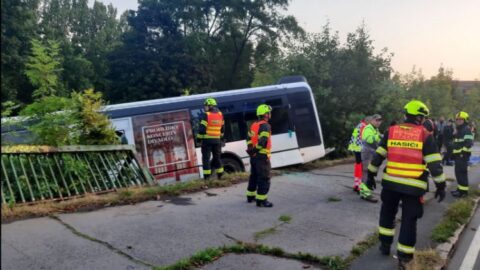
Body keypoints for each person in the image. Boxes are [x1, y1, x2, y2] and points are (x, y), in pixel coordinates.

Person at [366, 100, 445, 270]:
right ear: (420, 117)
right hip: (414, 187)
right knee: (409, 220)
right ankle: (404, 258)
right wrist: (441, 185)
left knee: (387, 214)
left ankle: (384, 246)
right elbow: (434, 165)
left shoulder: (391, 131)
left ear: (406, 115)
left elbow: (378, 156)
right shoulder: (425, 135)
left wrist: (371, 175)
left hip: (391, 184)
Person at [246, 104, 273, 207]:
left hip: (254, 157)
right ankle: (261, 200)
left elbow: (248, 139)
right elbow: (263, 142)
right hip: (262, 157)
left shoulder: (253, 125)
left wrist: (251, 150)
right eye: (269, 113)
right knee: (264, 178)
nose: (270, 114)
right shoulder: (265, 125)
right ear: (265, 114)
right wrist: (255, 150)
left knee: (254, 176)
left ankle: (250, 196)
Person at [197, 97, 225, 180]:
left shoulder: (207, 115)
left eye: (206, 106)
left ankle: (207, 177)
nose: (205, 108)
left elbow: (202, 129)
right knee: (217, 158)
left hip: (207, 141)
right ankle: (220, 175)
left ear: (210, 106)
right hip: (217, 141)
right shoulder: (220, 115)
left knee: (206, 159)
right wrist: (220, 137)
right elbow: (223, 129)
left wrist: (198, 139)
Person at [359, 114, 382, 203]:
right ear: (372, 120)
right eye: (377, 120)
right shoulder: (368, 128)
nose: (378, 122)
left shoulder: (375, 129)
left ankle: (364, 192)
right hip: (367, 153)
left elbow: (378, 140)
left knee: (369, 172)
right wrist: (379, 137)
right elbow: (369, 139)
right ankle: (366, 194)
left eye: (380, 120)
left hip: (371, 152)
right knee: (366, 172)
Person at [451, 111, 473, 197]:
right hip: (458, 155)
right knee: (458, 173)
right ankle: (460, 189)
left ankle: (463, 192)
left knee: (461, 173)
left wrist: (462, 153)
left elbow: (468, 143)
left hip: (462, 156)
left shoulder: (466, 129)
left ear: (465, 120)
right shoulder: (460, 129)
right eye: (457, 119)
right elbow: (457, 143)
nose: (458, 121)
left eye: (460, 120)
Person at [347, 116, 371, 193]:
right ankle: (359, 185)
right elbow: (364, 138)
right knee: (361, 167)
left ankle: (356, 184)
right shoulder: (364, 126)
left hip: (355, 148)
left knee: (358, 165)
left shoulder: (359, 125)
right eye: (370, 121)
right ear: (366, 120)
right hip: (360, 148)